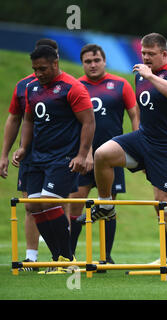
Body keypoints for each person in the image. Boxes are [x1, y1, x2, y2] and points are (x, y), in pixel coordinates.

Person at [89, 33, 167, 277]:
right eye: (143, 53)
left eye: (151, 54)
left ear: (164, 55)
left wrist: (152, 76)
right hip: (144, 139)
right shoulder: (140, 75)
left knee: (165, 204)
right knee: (102, 154)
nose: (145, 58)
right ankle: (106, 203)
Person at [13, 45, 95, 273]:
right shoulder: (32, 89)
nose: (39, 73)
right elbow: (28, 120)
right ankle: (57, 258)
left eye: (43, 68)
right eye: (35, 69)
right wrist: (23, 148)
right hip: (37, 157)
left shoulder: (72, 87)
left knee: (50, 201)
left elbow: (89, 122)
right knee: (35, 205)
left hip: (63, 157)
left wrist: (82, 154)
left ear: (55, 63)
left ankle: (68, 259)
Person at [69, 44, 140, 263]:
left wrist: (137, 145)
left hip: (111, 158)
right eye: (88, 61)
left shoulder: (120, 85)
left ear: (104, 61)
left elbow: (134, 116)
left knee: (108, 205)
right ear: (82, 64)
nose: (92, 65)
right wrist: (84, 153)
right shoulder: (76, 86)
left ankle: (105, 257)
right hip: (82, 156)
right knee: (75, 203)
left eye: (96, 60)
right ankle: (67, 256)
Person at [1, 39, 59, 270]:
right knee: (30, 205)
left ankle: (61, 256)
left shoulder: (68, 86)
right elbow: (14, 118)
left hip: (59, 154)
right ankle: (32, 257)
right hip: (31, 155)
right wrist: (4, 154)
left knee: (55, 204)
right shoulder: (24, 86)